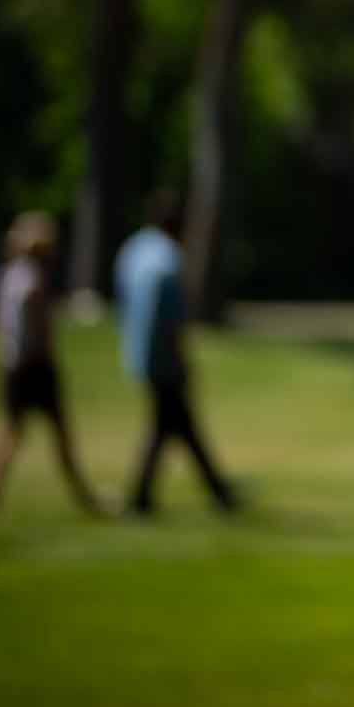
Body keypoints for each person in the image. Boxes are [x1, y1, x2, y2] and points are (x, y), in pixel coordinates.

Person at [115, 191, 238, 514]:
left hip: (137, 352)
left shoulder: (133, 250)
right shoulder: (168, 259)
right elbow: (168, 319)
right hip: (163, 357)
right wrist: (179, 355)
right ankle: (213, 493)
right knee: (173, 424)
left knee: (173, 424)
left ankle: (213, 491)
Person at [0, 211, 104, 514]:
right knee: (58, 433)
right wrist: (49, 360)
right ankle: (82, 495)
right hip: (35, 366)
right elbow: (41, 330)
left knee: (10, 428)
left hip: (10, 363)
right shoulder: (34, 280)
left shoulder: (7, 276)